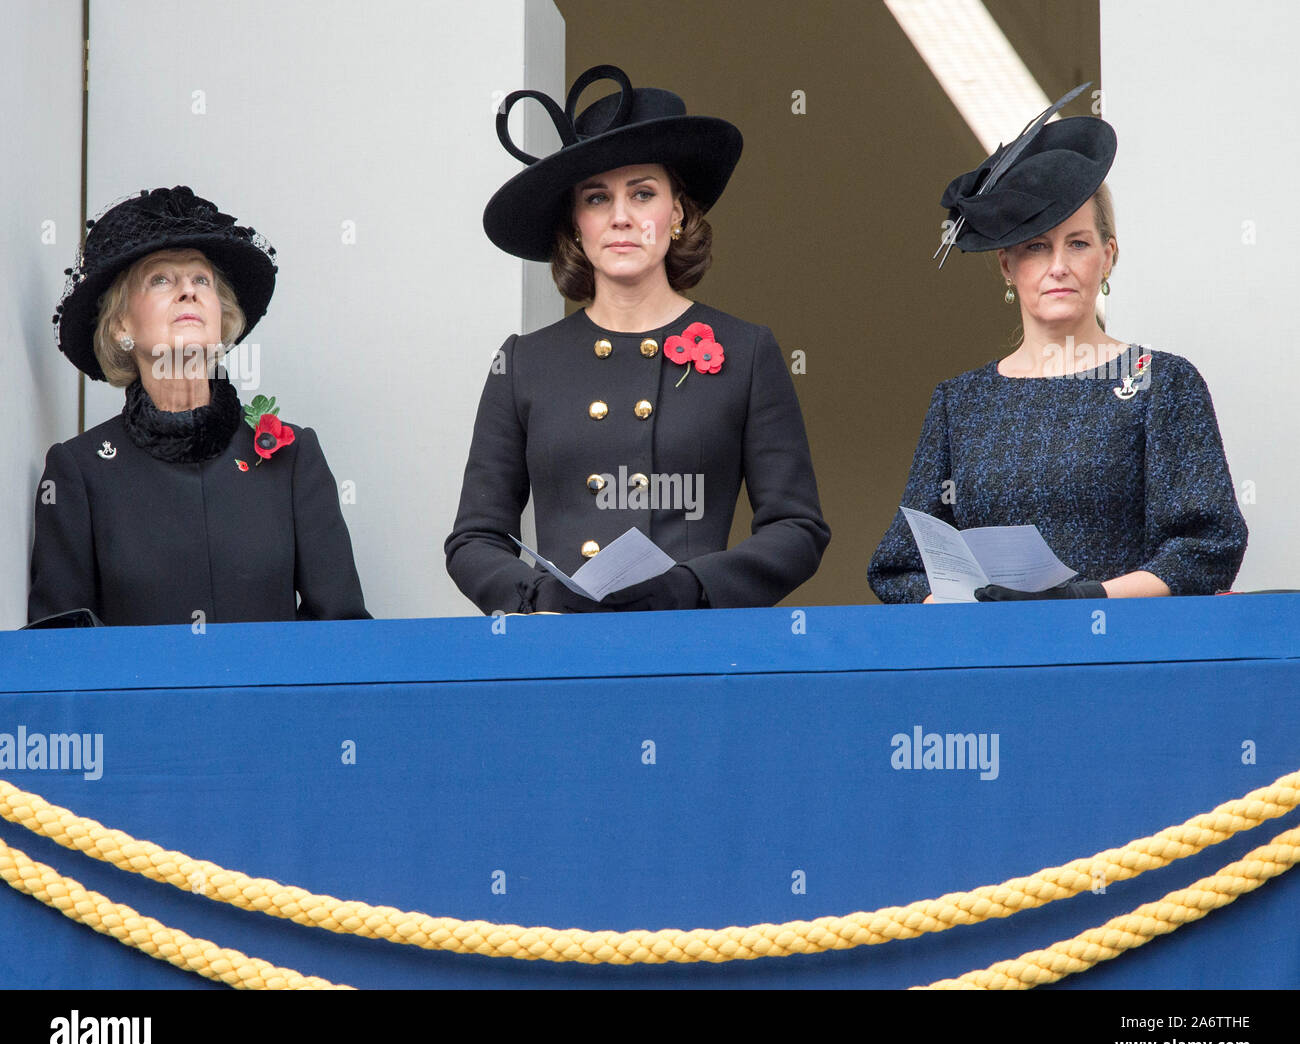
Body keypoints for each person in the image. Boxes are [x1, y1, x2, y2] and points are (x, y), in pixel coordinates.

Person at [446, 66, 829, 613]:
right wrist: (535, 594)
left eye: (642, 194)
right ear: (576, 222)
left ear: (676, 212)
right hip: (560, 649)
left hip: (691, 651)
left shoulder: (746, 351)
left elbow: (798, 527)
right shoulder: (524, 362)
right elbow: (474, 538)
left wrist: (695, 586)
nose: (621, 217)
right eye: (597, 198)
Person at [868, 90, 1247, 603]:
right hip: (997, 665)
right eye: (1036, 247)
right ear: (1007, 266)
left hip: (1125, 657)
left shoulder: (1160, 381)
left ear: (1108, 256)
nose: (1058, 266)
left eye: (1078, 243)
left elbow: (1207, 548)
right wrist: (967, 609)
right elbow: (900, 568)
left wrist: (1086, 599)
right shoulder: (959, 403)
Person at [30, 185, 369, 626]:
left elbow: (342, 633)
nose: (188, 291)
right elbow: (59, 658)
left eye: (201, 280)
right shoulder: (78, 472)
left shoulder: (292, 456)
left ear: (223, 318)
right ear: (120, 326)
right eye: (161, 279)